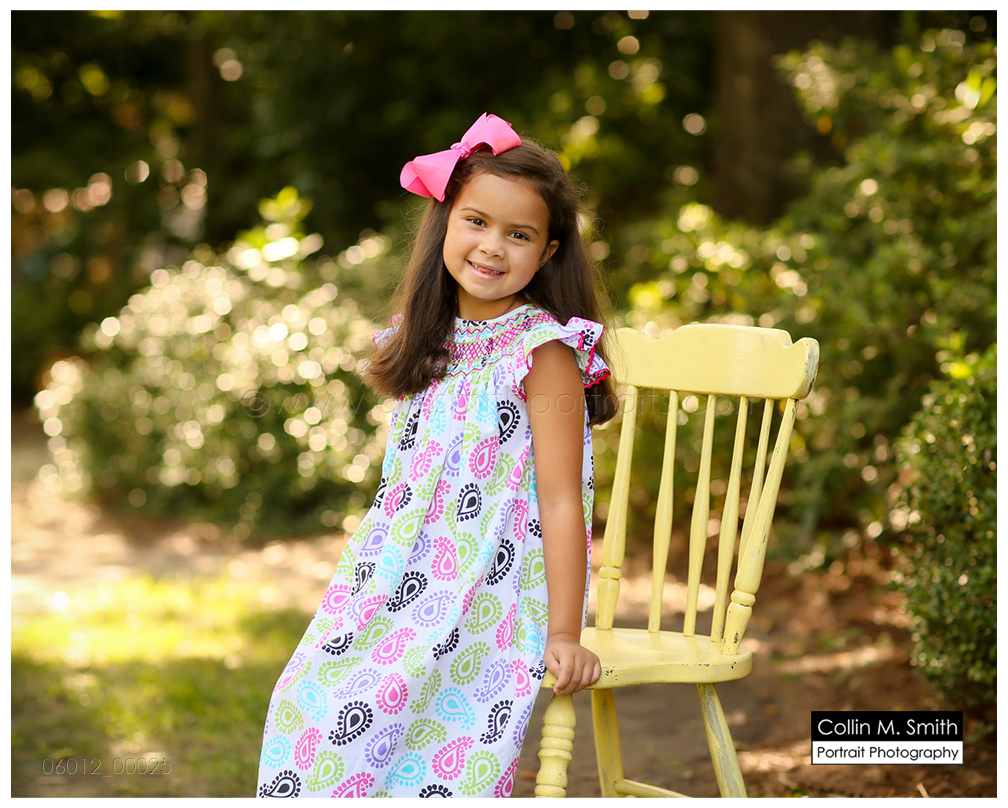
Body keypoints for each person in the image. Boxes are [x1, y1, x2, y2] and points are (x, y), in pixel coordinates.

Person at [257, 113, 617, 798]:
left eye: (519, 234)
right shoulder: (429, 339)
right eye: (476, 221)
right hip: (395, 571)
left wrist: (566, 632)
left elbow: (561, 500)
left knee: (408, 737)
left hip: (484, 588)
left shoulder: (543, 352)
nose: (492, 247)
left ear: (547, 252)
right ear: (445, 221)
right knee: (305, 704)